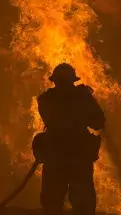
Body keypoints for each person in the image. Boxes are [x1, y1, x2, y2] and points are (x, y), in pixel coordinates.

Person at [36, 63, 106, 215]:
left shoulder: (46, 99)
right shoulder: (82, 97)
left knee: (56, 203)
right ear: (72, 80)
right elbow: (98, 122)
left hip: (60, 157)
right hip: (75, 156)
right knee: (71, 203)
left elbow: (98, 122)